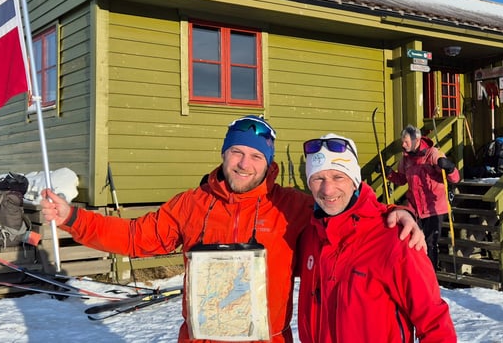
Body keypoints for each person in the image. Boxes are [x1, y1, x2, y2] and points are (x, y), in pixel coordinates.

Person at [41, 115, 424, 343]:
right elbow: (134, 237)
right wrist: (74, 218)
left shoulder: (292, 206)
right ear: (224, 154)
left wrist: (396, 210)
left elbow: (342, 205)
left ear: (267, 163)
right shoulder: (191, 204)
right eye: (237, 153)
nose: (245, 164)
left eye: (256, 156)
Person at [297, 133, 456, 342]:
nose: (328, 189)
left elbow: (436, 325)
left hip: (432, 208)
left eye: (338, 177)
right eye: (318, 178)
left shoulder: (396, 238)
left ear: (354, 181)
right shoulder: (310, 235)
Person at [382, 124, 460, 270]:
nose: (403, 145)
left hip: (434, 207)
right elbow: (402, 179)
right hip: (415, 207)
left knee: (430, 242)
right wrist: (389, 173)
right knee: (412, 239)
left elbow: (455, 178)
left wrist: (449, 167)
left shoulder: (432, 154)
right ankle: (416, 269)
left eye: (406, 141)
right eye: (402, 142)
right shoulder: (405, 160)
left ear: (416, 140)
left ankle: (431, 272)